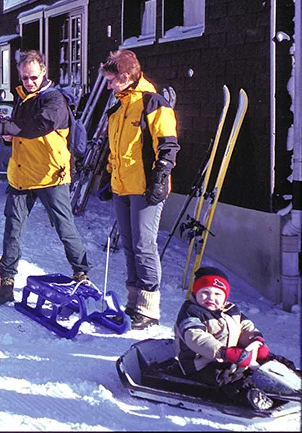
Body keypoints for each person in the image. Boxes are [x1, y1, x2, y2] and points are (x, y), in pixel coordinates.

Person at [0, 49, 91, 304]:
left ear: (43, 72)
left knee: (65, 227)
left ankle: (82, 274)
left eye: (33, 77)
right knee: (12, 229)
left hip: (51, 175)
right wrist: (6, 135)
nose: (29, 82)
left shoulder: (55, 100)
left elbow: (40, 126)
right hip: (21, 174)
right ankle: (6, 283)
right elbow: (22, 133)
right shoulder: (22, 97)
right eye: (24, 78)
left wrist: (5, 127)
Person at [99, 49, 180, 329]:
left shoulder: (152, 102)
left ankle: (149, 308)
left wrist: (160, 178)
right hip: (123, 186)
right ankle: (133, 302)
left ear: (125, 76)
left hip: (146, 188)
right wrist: (110, 177)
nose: (108, 86)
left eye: (111, 81)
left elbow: (167, 144)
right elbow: (117, 149)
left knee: (144, 245)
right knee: (128, 244)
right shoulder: (119, 106)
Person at [174, 266, 288, 411]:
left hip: (231, 356)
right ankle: (249, 395)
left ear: (225, 297)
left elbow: (246, 327)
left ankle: (289, 377)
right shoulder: (190, 313)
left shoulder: (230, 310)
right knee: (227, 377)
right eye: (205, 293)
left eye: (217, 294)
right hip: (201, 363)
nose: (211, 298)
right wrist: (224, 352)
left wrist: (256, 342)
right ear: (195, 292)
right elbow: (197, 338)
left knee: (269, 358)